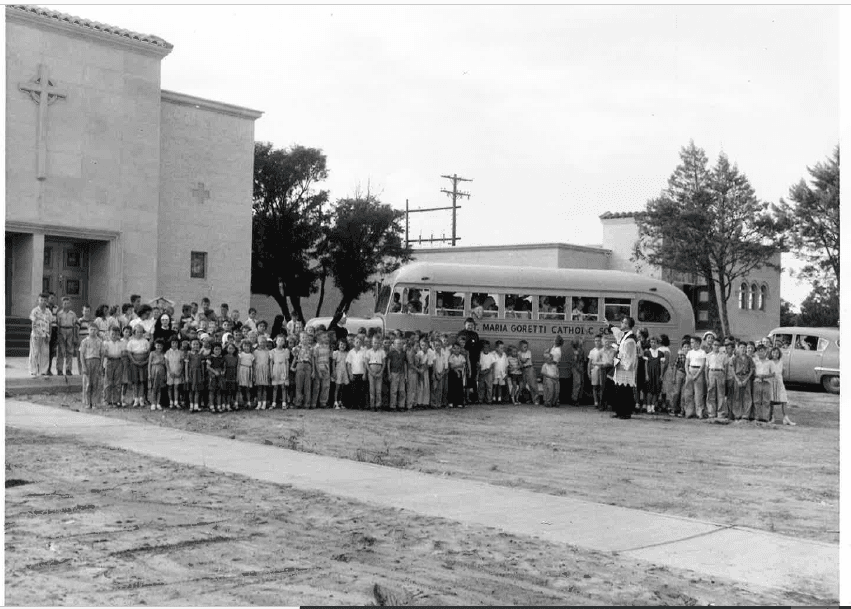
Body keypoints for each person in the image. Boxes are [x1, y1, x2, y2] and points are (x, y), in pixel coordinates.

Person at [610, 316, 638, 419]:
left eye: (623, 322)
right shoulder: (625, 336)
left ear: (627, 325)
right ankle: (619, 411)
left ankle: (626, 412)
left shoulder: (630, 339)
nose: (621, 324)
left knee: (625, 390)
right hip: (621, 366)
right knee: (619, 389)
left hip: (626, 368)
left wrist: (619, 356)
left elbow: (630, 355)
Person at [768, 347, 795, 426]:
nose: (775, 354)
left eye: (777, 353)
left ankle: (786, 418)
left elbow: (783, 373)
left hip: (780, 383)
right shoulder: (769, 362)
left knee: (784, 400)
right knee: (771, 401)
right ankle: (772, 417)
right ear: (771, 353)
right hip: (772, 382)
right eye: (773, 352)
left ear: (779, 354)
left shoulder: (781, 362)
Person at [78, 324, 104, 408]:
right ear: (88, 330)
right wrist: (84, 366)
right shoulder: (85, 341)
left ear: (97, 331)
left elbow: (102, 354)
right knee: (87, 383)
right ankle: (87, 402)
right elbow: (81, 354)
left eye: (95, 329)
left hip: (96, 361)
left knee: (96, 383)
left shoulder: (100, 341)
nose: (93, 331)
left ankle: (95, 402)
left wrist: (101, 366)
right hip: (88, 361)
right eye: (91, 329)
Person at [28, 293, 54, 376]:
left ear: (47, 302)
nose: (43, 302)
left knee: (45, 353)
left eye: (45, 300)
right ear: (38, 301)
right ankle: (33, 371)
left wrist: (49, 335)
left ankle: (43, 371)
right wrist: (35, 334)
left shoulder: (48, 312)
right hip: (36, 335)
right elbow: (33, 324)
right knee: (34, 353)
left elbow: (50, 325)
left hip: (45, 335)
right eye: (41, 300)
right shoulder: (35, 311)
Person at [457, 318, 482, 403]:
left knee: (472, 378)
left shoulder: (475, 334)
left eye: (472, 325)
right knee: (463, 378)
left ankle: (472, 397)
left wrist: (478, 360)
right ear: (465, 325)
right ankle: (462, 397)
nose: (470, 326)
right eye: (468, 325)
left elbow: (478, 348)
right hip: (463, 359)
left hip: (473, 359)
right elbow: (458, 346)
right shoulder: (461, 333)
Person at [682, 335, 707, 419]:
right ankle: (689, 411)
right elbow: (686, 364)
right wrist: (688, 374)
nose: (691, 344)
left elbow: (703, 365)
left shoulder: (702, 352)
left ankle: (699, 412)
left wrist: (697, 375)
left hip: (698, 372)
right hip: (690, 370)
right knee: (688, 392)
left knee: (698, 393)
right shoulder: (690, 352)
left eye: (692, 342)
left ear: (698, 343)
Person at [126, 324, 150, 408]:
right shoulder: (131, 342)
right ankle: (135, 398)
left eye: (141, 332)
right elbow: (129, 353)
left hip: (143, 363)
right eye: (137, 332)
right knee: (135, 381)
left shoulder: (145, 341)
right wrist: (134, 361)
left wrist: (145, 361)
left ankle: (141, 398)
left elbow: (148, 353)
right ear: (134, 332)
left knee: (142, 381)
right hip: (134, 363)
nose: (139, 333)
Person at [729, 342, 754, 420]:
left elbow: (752, 370)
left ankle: (746, 414)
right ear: (738, 348)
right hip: (737, 377)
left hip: (746, 377)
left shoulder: (749, 358)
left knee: (747, 396)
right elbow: (732, 370)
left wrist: (747, 379)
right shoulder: (735, 358)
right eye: (741, 347)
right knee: (737, 396)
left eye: (744, 347)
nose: (743, 349)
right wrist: (737, 380)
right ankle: (737, 413)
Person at [102, 326, 125, 407]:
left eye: (116, 334)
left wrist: (117, 356)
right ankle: (106, 400)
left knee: (118, 382)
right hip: (109, 361)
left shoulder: (121, 343)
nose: (114, 336)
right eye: (113, 334)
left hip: (118, 362)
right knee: (108, 381)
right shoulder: (106, 343)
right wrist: (112, 356)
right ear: (109, 333)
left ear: (119, 334)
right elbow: (105, 353)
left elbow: (122, 353)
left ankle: (116, 400)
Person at [55, 297, 78, 376]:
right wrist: (58, 336)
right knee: (61, 351)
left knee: (70, 351)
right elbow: (57, 325)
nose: (66, 305)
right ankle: (59, 369)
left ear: (70, 304)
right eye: (64, 303)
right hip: (62, 331)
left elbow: (75, 326)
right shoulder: (59, 314)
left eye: (68, 303)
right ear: (62, 304)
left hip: (70, 331)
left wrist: (75, 336)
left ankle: (68, 369)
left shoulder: (73, 314)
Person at [704, 338, 727, 418]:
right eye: (715, 345)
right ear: (712, 346)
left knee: (721, 394)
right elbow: (706, 368)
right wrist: (706, 378)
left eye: (718, 345)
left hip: (720, 372)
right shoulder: (708, 355)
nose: (716, 347)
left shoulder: (723, 355)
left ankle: (721, 413)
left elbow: (725, 367)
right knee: (711, 393)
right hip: (711, 372)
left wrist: (724, 377)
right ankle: (711, 412)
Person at [752, 344, 774, 422]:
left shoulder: (770, 362)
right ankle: (756, 417)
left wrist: (765, 376)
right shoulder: (754, 360)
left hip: (766, 382)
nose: (761, 353)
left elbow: (773, 373)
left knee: (766, 400)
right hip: (757, 381)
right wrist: (757, 376)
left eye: (762, 351)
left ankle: (765, 417)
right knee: (756, 400)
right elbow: (752, 371)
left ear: (765, 351)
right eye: (759, 351)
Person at [310, 331, 332, 409]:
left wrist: (329, 369)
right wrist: (318, 371)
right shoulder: (316, 348)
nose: (327, 338)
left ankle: (323, 402)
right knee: (317, 386)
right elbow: (315, 360)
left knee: (326, 386)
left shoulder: (327, 347)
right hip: (318, 367)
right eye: (324, 337)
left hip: (326, 368)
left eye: (327, 337)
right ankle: (314, 403)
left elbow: (329, 359)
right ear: (319, 339)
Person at [365, 335, 386, 412]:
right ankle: (372, 405)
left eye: (378, 343)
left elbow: (384, 363)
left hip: (379, 370)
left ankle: (378, 405)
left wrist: (381, 372)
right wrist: (370, 372)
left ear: (380, 343)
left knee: (378, 389)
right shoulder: (368, 352)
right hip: (371, 370)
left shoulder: (382, 352)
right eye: (374, 342)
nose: (376, 344)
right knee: (372, 389)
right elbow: (366, 363)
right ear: (372, 343)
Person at [271, 335, 291, 409]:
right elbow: (271, 362)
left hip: (283, 368)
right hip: (275, 369)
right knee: (275, 387)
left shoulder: (286, 351)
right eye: (279, 340)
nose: (280, 342)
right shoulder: (272, 351)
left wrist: (287, 372)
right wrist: (271, 372)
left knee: (283, 387)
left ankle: (284, 403)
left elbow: (287, 362)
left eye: (282, 340)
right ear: (276, 341)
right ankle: (273, 403)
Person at [517, 340, 539, 404]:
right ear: (520, 347)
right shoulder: (519, 353)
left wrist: (519, 357)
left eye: (526, 347)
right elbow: (520, 364)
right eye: (524, 347)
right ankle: (527, 399)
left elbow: (524, 361)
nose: (526, 348)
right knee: (522, 385)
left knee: (533, 385)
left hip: (529, 368)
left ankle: (536, 400)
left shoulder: (528, 352)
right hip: (523, 370)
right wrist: (519, 361)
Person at [147, 339, 167, 411]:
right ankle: (153, 403)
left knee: (159, 388)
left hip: (161, 370)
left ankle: (158, 403)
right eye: (158, 345)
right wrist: (149, 374)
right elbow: (149, 364)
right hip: (154, 370)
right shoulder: (152, 353)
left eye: (161, 346)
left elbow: (165, 364)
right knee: (153, 387)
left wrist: (165, 374)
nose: (159, 347)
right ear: (155, 346)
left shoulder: (164, 354)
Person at [588, 335, 606, 409]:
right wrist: (588, 372)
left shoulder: (604, 350)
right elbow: (590, 362)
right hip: (594, 370)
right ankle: (596, 402)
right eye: (596, 341)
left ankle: (602, 402)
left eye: (599, 340)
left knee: (602, 387)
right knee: (595, 386)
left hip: (602, 370)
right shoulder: (592, 351)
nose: (597, 342)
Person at [165, 337, 183, 409]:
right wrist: (169, 372)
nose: (174, 344)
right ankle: (171, 402)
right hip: (170, 372)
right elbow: (166, 363)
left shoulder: (180, 352)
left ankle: (176, 402)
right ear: (170, 344)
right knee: (170, 387)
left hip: (177, 372)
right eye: (173, 343)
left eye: (176, 343)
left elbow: (182, 363)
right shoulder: (168, 352)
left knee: (176, 387)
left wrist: (180, 372)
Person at [206, 343, 225, 412]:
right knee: (212, 391)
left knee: (219, 390)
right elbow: (208, 367)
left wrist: (223, 371)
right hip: (212, 375)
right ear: (213, 350)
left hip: (220, 376)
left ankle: (219, 405)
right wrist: (214, 372)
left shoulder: (221, 357)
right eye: (216, 349)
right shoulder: (210, 357)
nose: (217, 351)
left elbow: (223, 366)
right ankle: (211, 405)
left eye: (219, 349)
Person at [448, 341, 467, 408]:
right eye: (455, 348)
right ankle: (451, 402)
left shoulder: (462, 357)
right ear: (452, 349)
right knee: (452, 388)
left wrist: (456, 366)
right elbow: (451, 366)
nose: (456, 350)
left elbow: (463, 365)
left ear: (460, 349)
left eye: (458, 348)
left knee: (459, 388)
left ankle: (459, 402)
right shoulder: (451, 357)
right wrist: (457, 368)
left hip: (460, 374)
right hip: (453, 374)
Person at [236, 339, 255, 410]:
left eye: (248, 346)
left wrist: (253, 375)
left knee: (248, 388)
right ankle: (237, 403)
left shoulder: (251, 356)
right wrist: (238, 375)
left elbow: (253, 366)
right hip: (242, 370)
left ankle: (249, 402)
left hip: (248, 371)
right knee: (239, 388)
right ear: (242, 346)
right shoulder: (240, 355)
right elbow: (238, 365)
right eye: (245, 346)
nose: (246, 347)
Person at [222, 342, 240, 411]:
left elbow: (237, 367)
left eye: (232, 348)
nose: (231, 350)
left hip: (234, 373)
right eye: (229, 348)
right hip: (227, 374)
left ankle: (234, 404)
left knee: (234, 390)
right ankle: (227, 404)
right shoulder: (225, 357)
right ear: (226, 349)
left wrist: (237, 376)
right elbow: (224, 366)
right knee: (228, 391)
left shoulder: (236, 357)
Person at [478, 340, 496, 404]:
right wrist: (480, 371)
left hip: (489, 372)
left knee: (489, 387)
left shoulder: (491, 355)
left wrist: (489, 370)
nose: (486, 349)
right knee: (481, 387)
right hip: (482, 372)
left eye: (487, 347)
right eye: (485, 347)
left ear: (489, 348)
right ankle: (480, 399)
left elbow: (493, 364)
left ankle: (489, 400)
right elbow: (478, 363)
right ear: (483, 348)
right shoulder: (480, 354)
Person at [570, 340, 587, 405]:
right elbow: (575, 362)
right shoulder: (576, 352)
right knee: (578, 383)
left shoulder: (579, 350)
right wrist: (579, 368)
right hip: (577, 368)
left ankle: (577, 398)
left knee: (579, 383)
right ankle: (575, 399)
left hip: (579, 368)